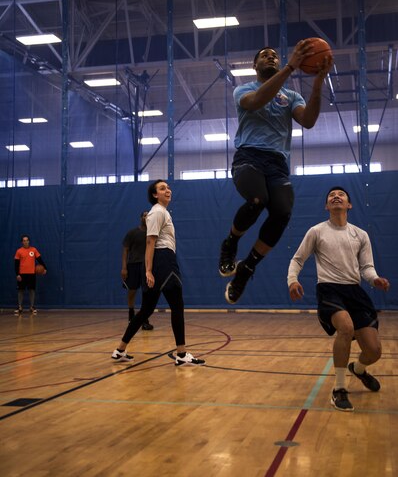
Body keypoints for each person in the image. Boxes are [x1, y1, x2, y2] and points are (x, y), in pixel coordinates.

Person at [219, 41, 333, 304]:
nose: (270, 58)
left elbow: (308, 121)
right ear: (254, 65)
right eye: (264, 56)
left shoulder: (291, 96)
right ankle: (230, 243)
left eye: (275, 56)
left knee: (282, 213)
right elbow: (258, 100)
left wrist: (318, 81)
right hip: (249, 157)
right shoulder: (243, 89)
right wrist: (292, 66)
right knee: (258, 199)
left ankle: (246, 269)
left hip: (278, 163)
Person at [287, 186, 390, 412]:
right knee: (346, 327)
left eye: (341, 195)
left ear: (349, 205)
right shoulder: (316, 231)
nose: (336, 197)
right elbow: (297, 259)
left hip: (355, 292)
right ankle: (339, 389)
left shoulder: (360, 234)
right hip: (329, 290)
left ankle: (359, 369)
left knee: (374, 351)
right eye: (331, 196)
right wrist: (292, 280)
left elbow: (367, 268)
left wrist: (375, 280)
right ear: (327, 206)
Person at [111, 179, 205, 367]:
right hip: (163, 261)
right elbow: (150, 242)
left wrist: (149, 269)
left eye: (168, 187)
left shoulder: (162, 212)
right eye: (162, 188)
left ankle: (120, 349)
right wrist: (148, 270)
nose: (167, 190)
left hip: (160, 261)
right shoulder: (157, 212)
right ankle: (181, 353)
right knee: (177, 305)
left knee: (147, 309)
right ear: (155, 195)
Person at [121, 211, 154, 331]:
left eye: (148, 215)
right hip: (133, 265)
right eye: (145, 215)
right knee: (132, 291)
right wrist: (124, 267)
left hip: (147, 266)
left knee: (147, 293)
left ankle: (144, 320)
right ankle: (131, 316)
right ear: (141, 218)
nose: (147, 217)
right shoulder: (132, 233)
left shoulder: (152, 233)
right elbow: (125, 250)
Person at [14, 235, 47, 315]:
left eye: (27, 240)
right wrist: (17, 274)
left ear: (29, 241)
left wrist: (45, 268)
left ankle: (32, 307)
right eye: (24, 240)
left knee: (32, 290)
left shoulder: (34, 250)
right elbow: (16, 264)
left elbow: (40, 260)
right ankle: (20, 307)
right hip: (22, 274)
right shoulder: (19, 251)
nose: (25, 242)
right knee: (20, 290)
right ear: (22, 242)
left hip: (31, 274)